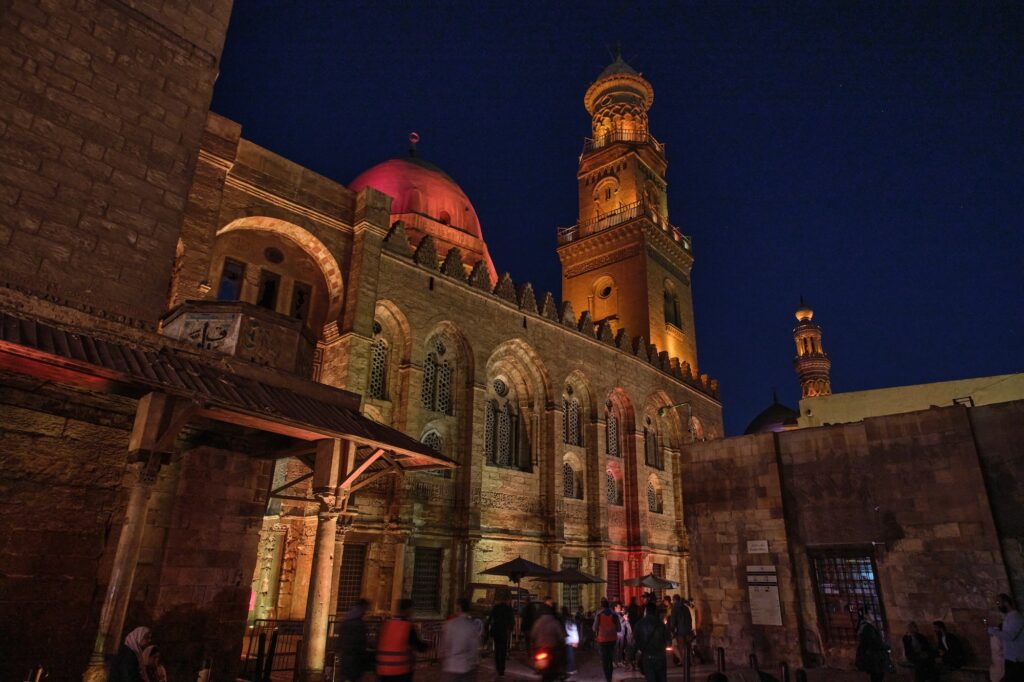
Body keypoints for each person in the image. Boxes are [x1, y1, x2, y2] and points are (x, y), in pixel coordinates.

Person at [377, 598, 430, 682]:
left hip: (383, 669)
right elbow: (417, 645)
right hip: (400, 670)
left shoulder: (386, 624)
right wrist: (427, 645)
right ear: (408, 610)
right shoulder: (407, 626)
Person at [441, 597, 484, 682]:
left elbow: (445, 646)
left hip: (451, 666)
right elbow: (474, 648)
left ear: (458, 607)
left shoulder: (450, 624)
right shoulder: (471, 626)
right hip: (466, 666)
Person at [988, 593, 1024, 682]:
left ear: (1006, 603)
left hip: (1017, 660)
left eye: (998, 603)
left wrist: (993, 631)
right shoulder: (1008, 617)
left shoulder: (1015, 617)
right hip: (1011, 658)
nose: (998, 605)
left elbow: (1010, 636)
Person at [530, 600, 567, 682]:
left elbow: (533, 634)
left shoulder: (538, 622)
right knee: (559, 659)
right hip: (552, 648)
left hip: (539, 647)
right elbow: (561, 635)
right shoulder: (554, 622)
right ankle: (561, 672)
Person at [634, 602, 670, 682]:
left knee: (650, 678)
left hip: (647, 655)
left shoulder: (640, 624)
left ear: (646, 611)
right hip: (660, 655)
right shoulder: (661, 624)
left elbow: (635, 639)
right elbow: (667, 639)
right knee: (662, 678)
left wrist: (639, 650)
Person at [338, 598, 372, 682]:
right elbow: (360, 644)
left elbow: (340, 640)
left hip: (347, 659)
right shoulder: (358, 624)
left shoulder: (347, 620)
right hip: (355, 660)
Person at [854, 607, 888, 682]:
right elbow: (873, 642)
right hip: (874, 656)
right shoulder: (867, 628)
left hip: (871, 655)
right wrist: (885, 646)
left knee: (875, 675)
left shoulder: (864, 626)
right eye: (871, 613)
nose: (873, 615)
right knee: (877, 675)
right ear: (866, 615)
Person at [594, 598, 621, 682]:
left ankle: (608, 678)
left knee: (605, 660)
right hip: (612, 640)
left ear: (601, 606)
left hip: (602, 640)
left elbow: (594, 628)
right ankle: (610, 676)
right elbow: (619, 629)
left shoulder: (598, 615)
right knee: (610, 659)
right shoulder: (614, 615)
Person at [488, 596, 516, 676]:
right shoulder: (508, 609)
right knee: (503, 650)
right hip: (504, 631)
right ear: (507, 600)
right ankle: (502, 669)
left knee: (497, 649)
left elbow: (490, 618)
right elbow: (512, 621)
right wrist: (510, 628)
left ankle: (498, 666)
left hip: (496, 630)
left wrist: (489, 626)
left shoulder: (496, 607)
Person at [668, 594, 693, 668]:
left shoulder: (675, 608)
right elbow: (690, 619)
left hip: (680, 630)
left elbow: (673, 621)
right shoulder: (686, 608)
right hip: (688, 629)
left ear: (675, 600)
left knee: (679, 646)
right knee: (688, 646)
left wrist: (672, 629)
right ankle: (691, 661)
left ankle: (683, 661)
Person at [563, 606, 580, 675]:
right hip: (570, 641)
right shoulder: (569, 622)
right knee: (571, 656)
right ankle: (570, 669)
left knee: (570, 655)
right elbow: (573, 632)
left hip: (568, 641)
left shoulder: (565, 621)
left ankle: (570, 668)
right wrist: (575, 641)